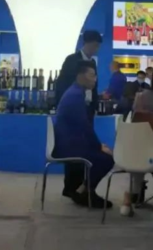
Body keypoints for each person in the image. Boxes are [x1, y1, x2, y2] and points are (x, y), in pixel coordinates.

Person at [53, 61, 114, 208]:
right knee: (107, 159)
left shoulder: (75, 92)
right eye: (92, 75)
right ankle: (86, 192)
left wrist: (97, 145)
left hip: (70, 143)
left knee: (102, 156)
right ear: (80, 76)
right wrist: (99, 146)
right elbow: (85, 127)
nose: (95, 79)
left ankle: (83, 191)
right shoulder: (75, 96)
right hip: (69, 147)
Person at [55, 30, 102, 201]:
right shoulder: (72, 60)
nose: (96, 49)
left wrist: (94, 106)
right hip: (74, 108)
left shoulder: (93, 63)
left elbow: (95, 87)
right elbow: (61, 84)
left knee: (85, 147)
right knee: (74, 147)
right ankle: (70, 187)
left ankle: (81, 186)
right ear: (87, 43)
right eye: (95, 45)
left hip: (87, 109)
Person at [122, 68, 153, 217]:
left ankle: (126, 201)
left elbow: (135, 118)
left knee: (135, 169)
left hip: (137, 149)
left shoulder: (140, 97)